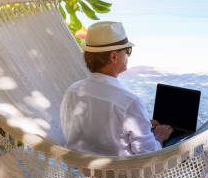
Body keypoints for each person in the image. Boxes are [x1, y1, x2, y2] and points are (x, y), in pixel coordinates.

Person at [60, 21, 173, 156]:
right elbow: (148, 155)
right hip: (122, 175)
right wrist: (159, 136)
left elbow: (87, 128)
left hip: (83, 171)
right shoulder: (129, 102)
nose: (128, 55)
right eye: (128, 51)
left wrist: (143, 122)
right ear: (114, 56)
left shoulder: (72, 91)